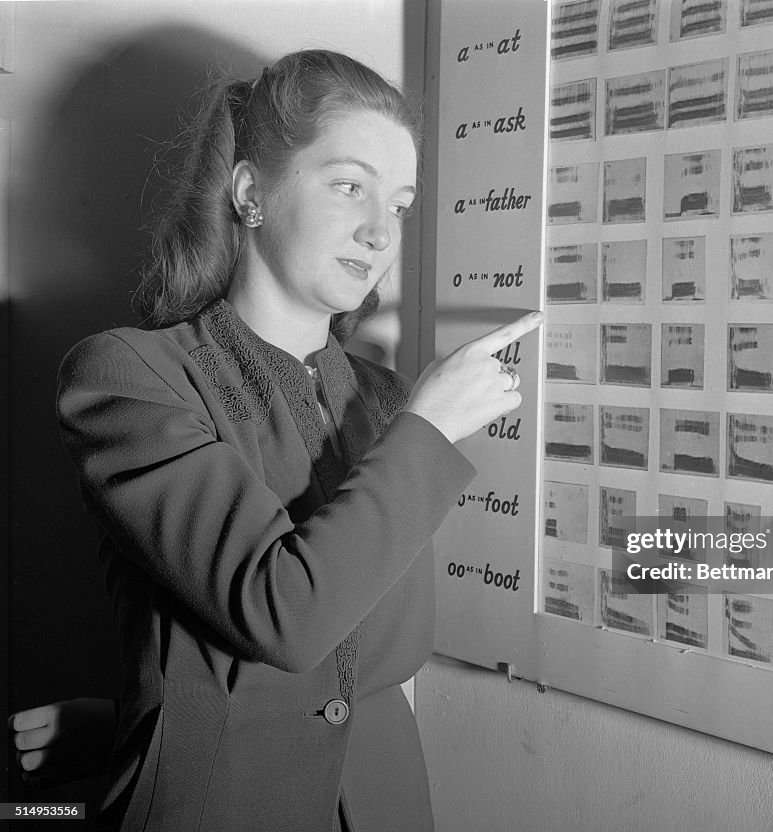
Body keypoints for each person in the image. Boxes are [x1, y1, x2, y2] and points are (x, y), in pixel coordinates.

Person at [10, 48, 540, 831]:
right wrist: (427, 430)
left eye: (399, 203)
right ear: (251, 192)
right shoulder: (127, 376)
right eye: (349, 185)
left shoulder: (388, 396)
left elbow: (371, 651)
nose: (379, 230)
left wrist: (144, 709)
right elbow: (283, 617)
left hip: (388, 802)